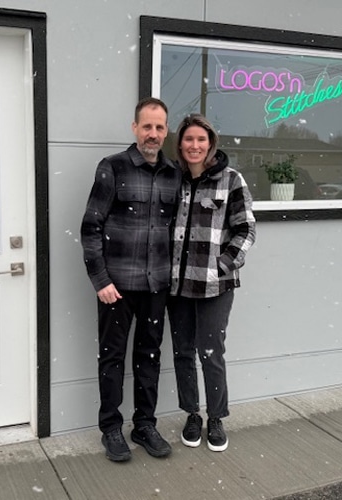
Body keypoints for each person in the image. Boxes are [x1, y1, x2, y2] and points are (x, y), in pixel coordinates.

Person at [80, 97, 181, 462]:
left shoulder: (174, 174)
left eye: (159, 127)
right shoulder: (112, 168)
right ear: (135, 128)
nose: (153, 134)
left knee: (149, 357)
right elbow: (91, 227)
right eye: (147, 126)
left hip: (156, 287)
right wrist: (100, 279)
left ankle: (144, 425)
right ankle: (111, 428)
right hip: (116, 288)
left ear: (165, 130)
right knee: (112, 358)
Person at [167, 114, 256, 452]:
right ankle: (192, 413)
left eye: (201, 140)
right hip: (177, 287)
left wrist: (222, 265)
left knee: (211, 352)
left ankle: (216, 417)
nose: (194, 146)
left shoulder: (231, 180)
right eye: (188, 139)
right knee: (182, 353)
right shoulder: (173, 181)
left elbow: (247, 229)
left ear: (211, 144)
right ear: (180, 145)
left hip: (215, 286)